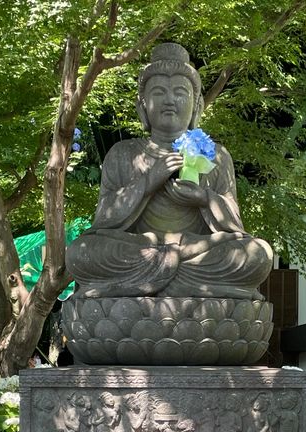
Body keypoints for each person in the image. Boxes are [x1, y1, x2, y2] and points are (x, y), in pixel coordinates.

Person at [66, 42, 272, 299]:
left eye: (180, 92)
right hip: (140, 249)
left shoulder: (215, 155)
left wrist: (205, 198)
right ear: (142, 106)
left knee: (257, 253)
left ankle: (148, 285)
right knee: (82, 251)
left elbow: (234, 225)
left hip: (197, 250)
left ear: (196, 106)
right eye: (159, 92)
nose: (170, 100)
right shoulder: (123, 154)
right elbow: (104, 221)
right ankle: (184, 285)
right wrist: (148, 181)